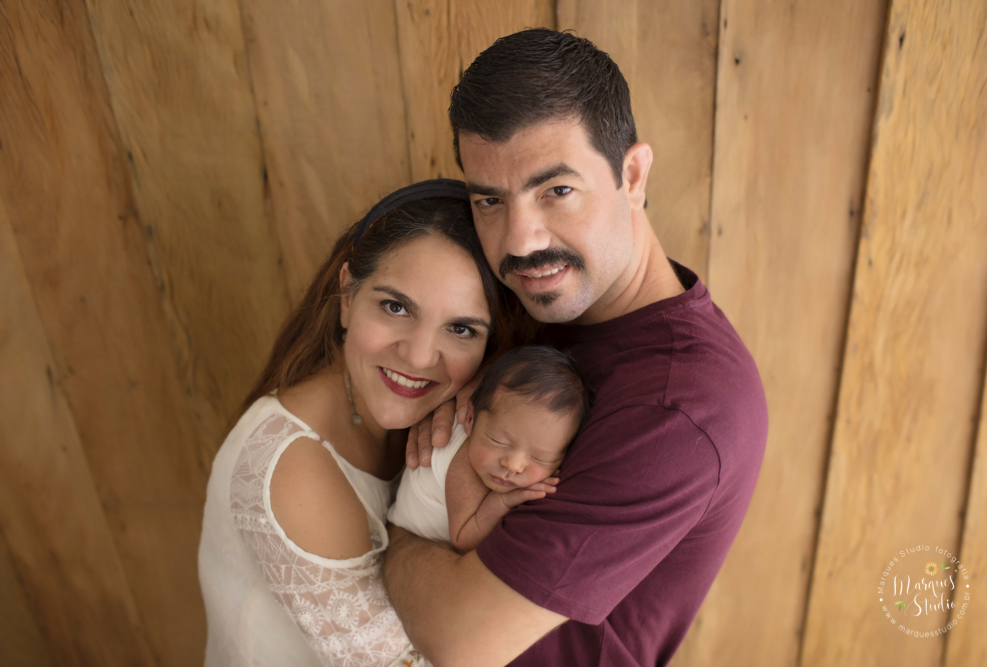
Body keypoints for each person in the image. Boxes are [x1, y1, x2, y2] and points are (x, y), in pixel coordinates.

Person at [384, 29, 769, 666]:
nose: (521, 240)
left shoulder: (683, 406)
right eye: (490, 199)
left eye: (556, 190)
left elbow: (463, 640)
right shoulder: (529, 299)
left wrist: (401, 534)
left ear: (633, 173)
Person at [197, 180, 520, 666]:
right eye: (395, 307)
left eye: (460, 329)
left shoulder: (455, 415)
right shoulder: (293, 469)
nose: (417, 355)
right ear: (348, 295)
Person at [387, 345, 594, 552]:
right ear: (469, 418)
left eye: (540, 458)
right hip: (413, 540)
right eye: (499, 442)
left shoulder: (492, 449)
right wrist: (501, 501)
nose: (513, 465)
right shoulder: (465, 467)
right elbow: (463, 538)